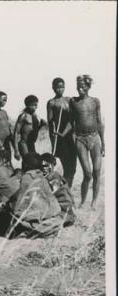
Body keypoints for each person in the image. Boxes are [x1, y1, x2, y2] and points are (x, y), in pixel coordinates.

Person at [69, 75, 105, 209]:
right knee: (88, 173)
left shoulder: (95, 101)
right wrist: (72, 137)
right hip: (80, 139)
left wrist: (103, 143)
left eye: (83, 85)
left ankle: (94, 202)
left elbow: (100, 122)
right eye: (78, 85)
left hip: (95, 138)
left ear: (88, 86)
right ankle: (83, 201)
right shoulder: (73, 101)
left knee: (96, 171)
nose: (80, 88)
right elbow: (71, 122)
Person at [8, 152, 63, 238]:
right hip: (56, 219)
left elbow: (19, 204)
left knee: (10, 211)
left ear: (25, 165)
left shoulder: (26, 177)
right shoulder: (41, 175)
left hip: (42, 223)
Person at [46, 77, 77, 188]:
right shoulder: (51, 103)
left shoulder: (69, 100)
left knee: (73, 168)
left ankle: (67, 188)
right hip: (59, 138)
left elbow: (73, 120)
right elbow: (50, 123)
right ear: (53, 88)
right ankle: (64, 190)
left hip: (70, 136)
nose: (60, 89)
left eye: (62, 87)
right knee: (66, 166)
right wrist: (53, 139)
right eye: (58, 87)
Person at [41, 153, 76, 226]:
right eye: (42, 166)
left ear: (53, 165)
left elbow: (51, 193)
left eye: (46, 166)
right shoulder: (53, 176)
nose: (44, 168)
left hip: (64, 211)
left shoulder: (53, 176)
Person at [13, 95, 45, 160]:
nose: (35, 107)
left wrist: (41, 125)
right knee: (27, 162)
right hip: (24, 143)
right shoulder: (23, 116)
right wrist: (16, 150)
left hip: (31, 143)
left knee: (34, 162)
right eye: (33, 105)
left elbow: (34, 130)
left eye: (36, 105)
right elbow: (16, 133)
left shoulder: (35, 116)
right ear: (27, 105)